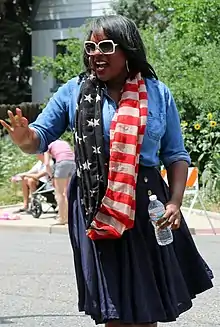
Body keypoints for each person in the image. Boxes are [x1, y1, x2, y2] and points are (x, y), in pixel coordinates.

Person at [0, 15, 213, 327]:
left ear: (128, 50)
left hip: (146, 205)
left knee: (146, 304)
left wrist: (175, 202)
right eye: (90, 47)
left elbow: (176, 155)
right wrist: (22, 137)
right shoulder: (73, 92)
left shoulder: (157, 93)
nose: (95, 54)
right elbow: (38, 138)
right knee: (114, 307)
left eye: (106, 46)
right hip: (94, 203)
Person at [44, 139, 75, 224]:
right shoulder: (64, 143)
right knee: (67, 193)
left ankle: (61, 218)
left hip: (62, 164)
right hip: (73, 163)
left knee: (59, 193)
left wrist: (51, 176)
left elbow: (47, 164)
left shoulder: (47, 146)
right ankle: (69, 217)